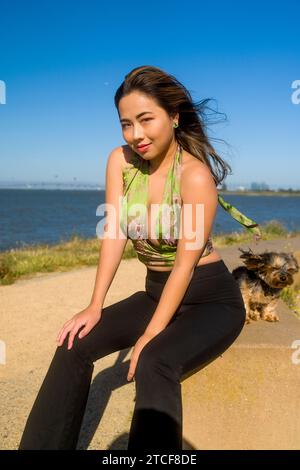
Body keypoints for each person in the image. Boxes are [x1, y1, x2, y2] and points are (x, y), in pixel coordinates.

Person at [18, 65, 261, 451]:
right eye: (126, 123)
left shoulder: (194, 177)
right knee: (73, 344)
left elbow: (184, 264)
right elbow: (114, 232)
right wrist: (94, 305)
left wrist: (149, 335)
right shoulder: (121, 161)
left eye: (146, 120)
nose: (137, 134)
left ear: (174, 116)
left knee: (154, 361)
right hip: (155, 291)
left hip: (209, 300)